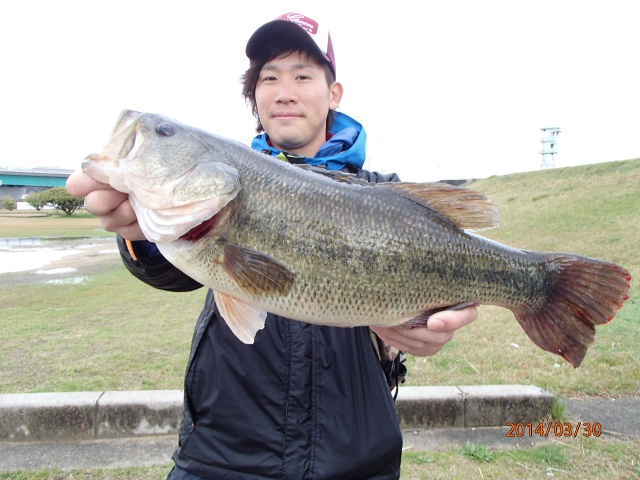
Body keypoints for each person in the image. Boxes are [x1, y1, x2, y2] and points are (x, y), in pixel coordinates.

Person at [67, 12, 477, 480]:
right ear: (254, 96)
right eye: (269, 77)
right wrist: (136, 229)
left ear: (333, 93)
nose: (285, 90)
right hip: (221, 458)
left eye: (303, 75)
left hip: (358, 458)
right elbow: (168, 267)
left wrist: (436, 322)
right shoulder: (218, 193)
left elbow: (445, 287)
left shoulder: (386, 194)